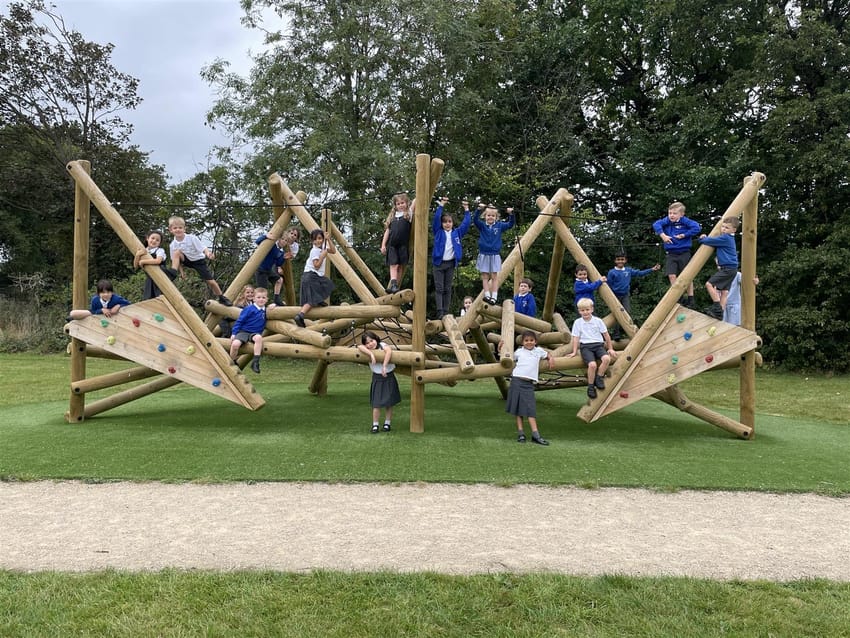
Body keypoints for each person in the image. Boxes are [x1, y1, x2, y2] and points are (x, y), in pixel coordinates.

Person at [167, 216, 232, 306]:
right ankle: (172, 272)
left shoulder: (191, 238)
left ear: (184, 229)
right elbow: (175, 259)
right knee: (176, 252)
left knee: (211, 282)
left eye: (180, 228)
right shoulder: (173, 244)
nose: (178, 230)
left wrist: (208, 254)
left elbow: (203, 248)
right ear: (170, 230)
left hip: (198, 261)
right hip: (186, 260)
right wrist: (181, 272)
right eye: (175, 228)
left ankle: (221, 297)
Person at [504, 330, 554, 445]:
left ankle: (536, 435)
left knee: (531, 410)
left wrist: (550, 358)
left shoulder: (539, 351)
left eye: (531, 340)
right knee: (518, 410)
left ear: (535, 341)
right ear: (522, 342)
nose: (529, 343)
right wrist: (500, 349)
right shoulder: (519, 352)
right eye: (526, 341)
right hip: (516, 381)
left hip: (528, 384)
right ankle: (521, 434)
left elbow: (548, 354)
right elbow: (507, 358)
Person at [652, 201, 701, 308]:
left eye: (674, 213)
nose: (671, 215)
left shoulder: (685, 221)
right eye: (670, 213)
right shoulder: (667, 221)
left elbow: (697, 227)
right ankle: (678, 297)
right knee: (671, 275)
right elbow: (656, 224)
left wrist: (684, 235)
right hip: (671, 253)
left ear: (681, 214)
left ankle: (691, 298)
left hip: (684, 252)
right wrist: (663, 235)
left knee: (687, 276)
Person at [431, 197, 471, 319]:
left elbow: (466, 224)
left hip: (450, 263)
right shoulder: (438, 231)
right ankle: (439, 311)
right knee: (439, 288)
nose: (447, 224)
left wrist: (466, 209)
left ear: (452, 223)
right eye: (445, 222)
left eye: (449, 222)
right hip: (439, 263)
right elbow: (436, 220)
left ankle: (446, 310)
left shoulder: (456, 233)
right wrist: (441, 205)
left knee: (448, 288)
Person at [569, 298, 617, 399]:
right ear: (579, 311)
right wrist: (574, 352)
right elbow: (576, 338)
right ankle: (591, 386)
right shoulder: (578, 322)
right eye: (582, 310)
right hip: (586, 347)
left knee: (607, 359)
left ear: (592, 309)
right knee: (592, 365)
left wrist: (610, 348)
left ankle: (599, 377)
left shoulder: (598, 321)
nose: (585, 312)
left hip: (598, 345)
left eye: (587, 309)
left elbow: (606, 335)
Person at [606, 252, 661, 339]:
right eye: (618, 259)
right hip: (615, 295)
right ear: (615, 261)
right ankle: (616, 334)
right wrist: (610, 296)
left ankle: (627, 331)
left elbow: (640, 273)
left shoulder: (628, 270)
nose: (620, 261)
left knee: (627, 312)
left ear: (625, 260)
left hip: (625, 295)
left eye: (622, 259)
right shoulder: (612, 272)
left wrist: (652, 269)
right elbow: (608, 285)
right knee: (616, 314)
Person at [357, 331, 401, 433]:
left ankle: (387, 423)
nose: (370, 344)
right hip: (377, 378)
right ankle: (375, 425)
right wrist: (371, 354)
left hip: (388, 376)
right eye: (367, 343)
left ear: (376, 339)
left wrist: (384, 366)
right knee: (376, 404)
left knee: (389, 403)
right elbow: (359, 347)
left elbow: (388, 351)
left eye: (371, 341)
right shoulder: (366, 348)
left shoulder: (382, 345)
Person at [473, 203, 515, 304]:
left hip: (494, 254)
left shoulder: (499, 226)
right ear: (485, 216)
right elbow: (475, 220)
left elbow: (510, 224)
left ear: (496, 217)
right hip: (484, 254)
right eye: (488, 215)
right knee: (485, 276)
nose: (490, 217)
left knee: (494, 276)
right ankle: (487, 295)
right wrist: (479, 209)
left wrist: (511, 214)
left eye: (493, 215)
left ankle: (494, 297)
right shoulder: (482, 226)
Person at [294, 228, 336, 328]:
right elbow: (316, 265)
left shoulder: (322, 248)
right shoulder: (315, 251)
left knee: (325, 285)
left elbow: (333, 251)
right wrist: (322, 256)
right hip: (310, 275)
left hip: (313, 276)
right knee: (312, 299)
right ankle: (300, 315)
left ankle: (319, 301)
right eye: (316, 239)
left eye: (320, 238)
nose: (318, 241)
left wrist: (328, 239)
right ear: (312, 241)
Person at [698, 217, 739, 319]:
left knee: (709, 284)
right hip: (732, 269)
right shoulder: (728, 238)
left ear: (734, 230)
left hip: (727, 268)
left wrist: (702, 238)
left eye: (727, 227)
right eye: (723, 227)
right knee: (724, 292)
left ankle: (717, 308)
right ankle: (720, 314)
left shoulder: (725, 238)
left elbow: (708, 241)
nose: (724, 229)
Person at [229, 287, 272, 373]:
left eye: (263, 298)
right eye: (258, 297)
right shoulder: (249, 309)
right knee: (235, 344)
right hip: (244, 331)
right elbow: (240, 321)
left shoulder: (266, 310)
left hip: (255, 333)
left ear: (267, 299)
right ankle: (232, 362)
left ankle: (255, 362)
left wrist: (274, 305)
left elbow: (278, 307)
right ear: (254, 298)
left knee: (259, 338)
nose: (261, 300)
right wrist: (234, 333)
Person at [255, 227, 300, 306]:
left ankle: (276, 298)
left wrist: (283, 258)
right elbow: (257, 241)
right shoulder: (272, 245)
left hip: (268, 270)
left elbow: (278, 263)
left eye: (286, 241)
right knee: (262, 291)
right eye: (282, 239)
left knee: (279, 280)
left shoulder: (280, 251)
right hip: (261, 270)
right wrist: (266, 236)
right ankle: (260, 306)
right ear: (279, 239)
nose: (284, 242)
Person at [380, 192, 415, 293]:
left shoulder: (408, 214)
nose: (400, 205)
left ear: (407, 203)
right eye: (398, 204)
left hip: (403, 245)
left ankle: (395, 286)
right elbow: (387, 231)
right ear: (395, 206)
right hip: (392, 245)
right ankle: (394, 284)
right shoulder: (393, 216)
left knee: (400, 266)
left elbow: (416, 201)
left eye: (402, 203)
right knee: (393, 265)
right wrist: (383, 245)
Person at [134, 229, 177, 300]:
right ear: (147, 238)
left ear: (159, 243)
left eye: (157, 240)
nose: (154, 241)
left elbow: (158, 261)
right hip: (150, 277)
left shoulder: (160, 250)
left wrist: (143, 262)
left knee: (161, 296)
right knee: (148, 298)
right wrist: (137, 255)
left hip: (161, 273)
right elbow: (135, 266)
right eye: (152, 238)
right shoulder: (145, 250)